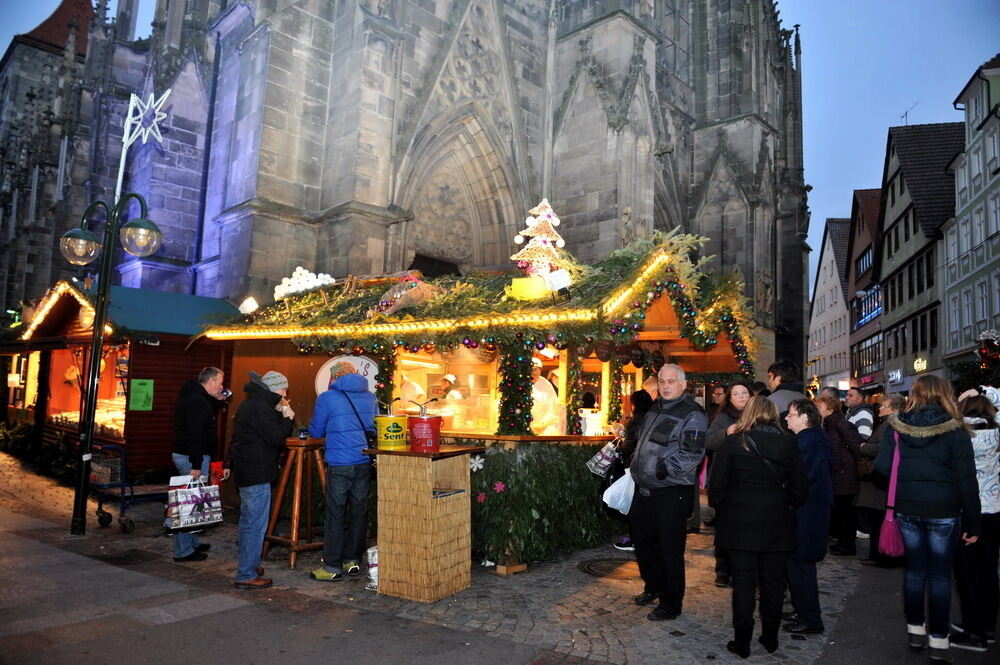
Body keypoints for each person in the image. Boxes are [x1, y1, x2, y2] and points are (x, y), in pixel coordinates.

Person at [873, 375, 980, 663]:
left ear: (915, 394)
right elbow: (967, 481)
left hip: (907, 508)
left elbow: (882, 467)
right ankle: (939, 640)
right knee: (941, 576)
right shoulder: (956, 429)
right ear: (945, 394)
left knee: (915, 571)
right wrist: (973, 523)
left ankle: (915, 629)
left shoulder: (897, 426)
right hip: (945, 511)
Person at [709, 396, 808, 658]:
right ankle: (771, 638)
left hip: (739, 524)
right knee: (773, 583)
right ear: (773, 414)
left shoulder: (734, 443)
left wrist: (724, 509)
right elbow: (800, 488)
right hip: (776, 524)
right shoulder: (789, 442)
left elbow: (716, 488)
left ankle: (742, 643)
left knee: (743, 584)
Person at [629, 364, 707, 621]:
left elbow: (692, 454)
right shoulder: (656, 407)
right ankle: (653, 587)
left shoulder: (692, 414)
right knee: (643, 544)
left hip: (672, 492)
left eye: (671, 381)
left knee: (669, 550)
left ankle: (671, 603)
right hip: (645, 489)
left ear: (683, 385)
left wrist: (663, 471)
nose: (665, 386)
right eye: (662, 381)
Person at [310, 364, 377, 581]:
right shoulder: (370, 397)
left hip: (340, 462)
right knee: (359, 510)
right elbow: (375, 428)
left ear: (335, 378)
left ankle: (332, 567)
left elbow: (316, 431)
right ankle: (352, 561)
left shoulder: (327, 398)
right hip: (364, 460)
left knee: (336, 513)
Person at [228, 371, 294, 589]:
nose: (285, 394)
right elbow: (276, 438)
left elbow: (261, 432)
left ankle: (249, 565)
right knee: (255, 525)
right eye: (284, 389)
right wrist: (287, 418)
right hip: (256, 472)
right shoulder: (259, 407)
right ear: (275, 389)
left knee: (248, 521)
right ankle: (246, 574)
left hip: (247, 470)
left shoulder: (253, 404)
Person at [949, 386, 1000, 651]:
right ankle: (987, 627)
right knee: (988, 573)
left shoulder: (959, 434)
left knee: (966, 574)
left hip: (968, 511)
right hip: (994, 509)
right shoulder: (996, 432)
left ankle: (974, 631)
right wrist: (983, 390)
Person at [783, 399, 833, 635]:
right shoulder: (814, 438)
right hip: (812, 511)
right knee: (799, 564)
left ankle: (810, 618)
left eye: (791, 415)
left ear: (804, 417)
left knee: (800, 565)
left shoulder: (806, 442)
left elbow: (800, 479)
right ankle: (803, 609)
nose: (786, 418)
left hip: (807, 513)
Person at [171, 366, 226, 562]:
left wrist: (216, 401)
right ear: (210, 381)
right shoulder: (197, 402)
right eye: (219, 382)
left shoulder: (194, 397)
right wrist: (196, 463)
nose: (221, 386)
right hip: (192, 457)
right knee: (189, 503)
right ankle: (183, 550)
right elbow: (195, 435)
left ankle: (191, 541)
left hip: (189, 455)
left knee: (194, 500)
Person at [705, 381, 753, 587]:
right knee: (724, 526)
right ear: (730, 399)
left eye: (744, 393)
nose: (741, 396)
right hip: (726, 480)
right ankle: (722, 570)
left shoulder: (757, 418)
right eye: (736, 393)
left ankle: (744, 569)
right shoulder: (723, 418)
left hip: (750, 479)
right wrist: (726, 433)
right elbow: (708, 442)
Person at [856, 394, 906, 567]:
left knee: (880, 518)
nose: (880, 408)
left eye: (884, 406)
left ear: (895, 408)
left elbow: (883, 449)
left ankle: (883, 555)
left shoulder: (891, 425)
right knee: (878, 518)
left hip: (881, 481)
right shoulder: (887, 424)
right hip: (881, 481)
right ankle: (880, 554)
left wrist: (864, 447)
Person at [814, 394, 863, 556]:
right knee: (842, 511)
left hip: (843, 473)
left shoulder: (839, 423)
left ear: (830, 409)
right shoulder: (829, 424)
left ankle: (847, 545)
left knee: (845, 512)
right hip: (838, 472)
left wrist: (853, 465)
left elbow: (855, 445)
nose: (816, 411)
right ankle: (844, 543)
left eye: (819, 407)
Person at [612, 389, 654, 552]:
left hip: (635, 467)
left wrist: (621, 445)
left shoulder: (636, 421)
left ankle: (635, 539)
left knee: (634, 504)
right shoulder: (653, 417)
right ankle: (644, 538)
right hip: (649, 467)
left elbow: (628, 446)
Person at [530, 358, 563, 435]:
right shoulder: (522, 384)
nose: (533, 373)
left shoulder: (546, 385)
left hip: (543, 428)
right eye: (531, 370)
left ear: (540, 370)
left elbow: (554, 407)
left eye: (535, 370)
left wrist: (544, 423)